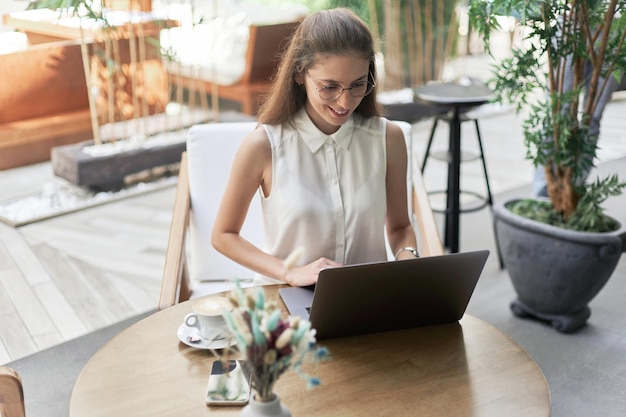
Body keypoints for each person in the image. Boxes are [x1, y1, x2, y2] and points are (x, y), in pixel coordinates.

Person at [211, 8, 419, 287]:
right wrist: (289, 272)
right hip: (286, 303)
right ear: (299, 74)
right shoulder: (263, 145)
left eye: (358, 84)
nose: (345, 103)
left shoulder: (388, 139)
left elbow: (400, 227)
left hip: (368, 298)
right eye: (329, 87)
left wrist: (408, 261)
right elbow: (223, 235)